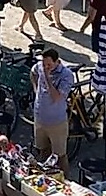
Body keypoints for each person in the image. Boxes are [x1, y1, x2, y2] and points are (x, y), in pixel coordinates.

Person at [32, 48, 74, 179]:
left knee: (60, 156)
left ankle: (66, 181)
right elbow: (33, 72)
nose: (45, 67)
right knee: (43, 151)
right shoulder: (40, 66)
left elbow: (56, 97)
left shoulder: (66, 75)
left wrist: (47, 77)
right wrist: (36, 90)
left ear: (57, 62)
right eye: (44, 64)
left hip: (57, 122)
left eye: (49, 64)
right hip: (40, 118)